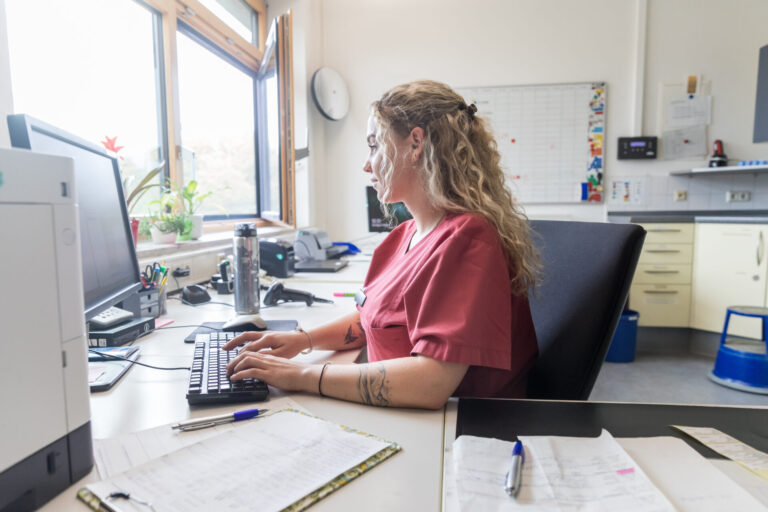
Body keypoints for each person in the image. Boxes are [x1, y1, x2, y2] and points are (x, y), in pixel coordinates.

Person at [224, 80, 539, 409]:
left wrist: (302, 375)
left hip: (455, 426)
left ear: (416, 144)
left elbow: (431, 383)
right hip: (404, 414)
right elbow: (373, 321)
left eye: (374, 146)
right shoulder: (402, 236)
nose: (366, 164)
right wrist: (302, 340)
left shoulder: (469, 240)